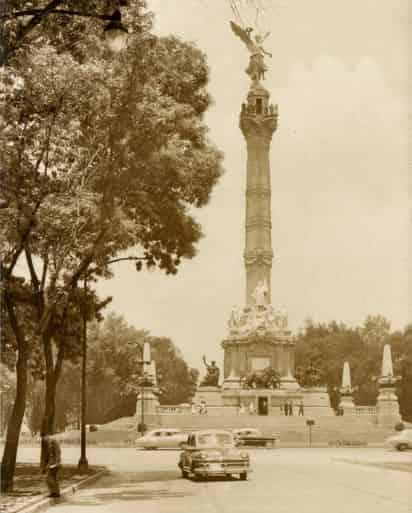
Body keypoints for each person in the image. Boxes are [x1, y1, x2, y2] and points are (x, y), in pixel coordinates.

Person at [41, 432, 62, 498]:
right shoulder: (50, 442)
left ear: (47, 435)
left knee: (49, 478)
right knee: (53, 478)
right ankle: (55, 493)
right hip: (52, 463)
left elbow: (57, 452)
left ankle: (54, 492)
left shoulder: (53, 441)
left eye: (44, 438)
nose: (44, 440)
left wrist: (56, 463)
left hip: (54, 463)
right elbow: (48, 455)